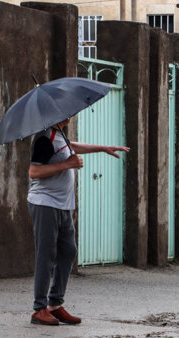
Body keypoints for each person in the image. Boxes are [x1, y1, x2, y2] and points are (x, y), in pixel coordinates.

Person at [27, 118, 129, 326]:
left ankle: (55, 304)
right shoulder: (44, 138)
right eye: (68, 113)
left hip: (63, 205)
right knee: (46, 256)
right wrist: (68, 164)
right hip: (45, 204)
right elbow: (34, 172)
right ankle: (39, 308)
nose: (71, 116)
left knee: (68, 250)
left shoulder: (60, 134)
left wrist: (102, 148)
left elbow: (72, 146)